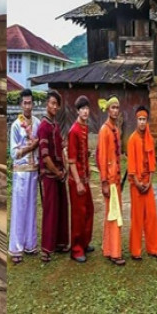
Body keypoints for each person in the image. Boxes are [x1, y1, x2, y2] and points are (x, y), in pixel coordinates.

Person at [36, 90, 69, 262]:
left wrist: (63, 170)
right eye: (52, 103)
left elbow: (60, 148)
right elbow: (45, 156)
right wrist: (57, 173)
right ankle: (46, 249)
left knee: (61, 208)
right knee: (50, 211)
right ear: (46, 104)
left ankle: (60, 243)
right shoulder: (44, 127)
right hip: (50, 175)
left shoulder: (55, 126)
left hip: (59, 174)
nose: (54, 107)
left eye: (57, 104)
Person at [127, 105, 157, 261]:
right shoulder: (132, 139)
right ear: (136, 120)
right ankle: (136, 251)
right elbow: (131, 167)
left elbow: (152, 164)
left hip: (148, 183)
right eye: (140, 119)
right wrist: (137, 183)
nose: (142, 122)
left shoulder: (150, 139)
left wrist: (149, 183)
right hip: (136, 185)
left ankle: (154, 248)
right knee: (137, 218)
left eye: (144, 119)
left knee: (151, 216)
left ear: (147, 121)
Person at [8, 89, 40, 264]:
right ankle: (16, 248)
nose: (28, 106)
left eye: (30, 102)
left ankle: (30, 244)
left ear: (33, 104)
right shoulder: (15, 126)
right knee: (20, 209)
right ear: (20, 104)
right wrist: (30, 147)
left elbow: (40, 147)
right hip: (21, 172)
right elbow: (14, 153)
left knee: (32, 208)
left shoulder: (37, 123)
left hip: (34, 171)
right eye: (25, 103)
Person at [67, 96, 95, 263]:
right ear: (77, 111)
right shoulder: (74, 131)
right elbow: (71, 160)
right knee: (78, 215)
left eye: (87, 108)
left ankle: (84, 243)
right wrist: (77, 182)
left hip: (84, 178)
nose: (85, 111)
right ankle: (76, 249)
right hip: (76, 179)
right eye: (82, 109)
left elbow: (82, 154)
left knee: (89, 211)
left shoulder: (85, 127)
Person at [98, 95, 125, 265]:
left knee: (112, 213)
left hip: (116, 178)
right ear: (108, 110)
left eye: (117, 107)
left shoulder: (116, 129)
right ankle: (115, 253)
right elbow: (101, 158)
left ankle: (108, 248)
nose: (115, 110)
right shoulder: (104, 130)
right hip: (110, 179)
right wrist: (104, 182)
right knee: (114, 214)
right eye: (112, 107)